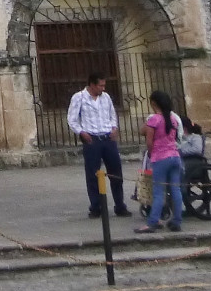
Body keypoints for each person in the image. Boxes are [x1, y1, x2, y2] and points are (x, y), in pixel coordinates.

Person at [67, 73, 131, 218]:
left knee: (116, 172)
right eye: (100, 85)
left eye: (103, 85)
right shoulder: (79, 97)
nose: (102, 88)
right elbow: (72, 118)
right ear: (91, 85)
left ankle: (120, 205)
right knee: (92, 174)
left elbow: (112, 114)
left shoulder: (106, 97)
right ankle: (96, 206)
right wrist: (81, 132)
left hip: (107, 138)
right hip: (92, 139)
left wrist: (114, 128)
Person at [135, 89, 185, 233]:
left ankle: (152, 222)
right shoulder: (173, 119)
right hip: (175, 157)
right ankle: (177, 221)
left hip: (160, 158)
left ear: (153, 103)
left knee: (158, 192)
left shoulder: (154, 119)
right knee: (175, 190)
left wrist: (151, 154)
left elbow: (148, 139)